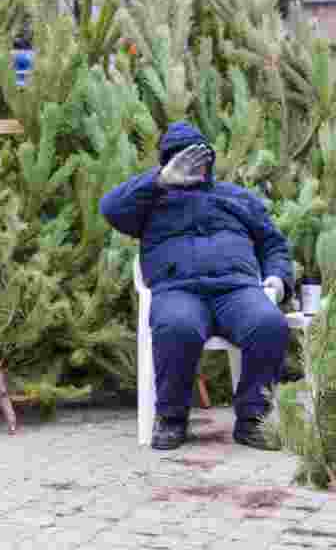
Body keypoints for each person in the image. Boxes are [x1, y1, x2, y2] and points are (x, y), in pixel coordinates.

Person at [99, 121, 294, 451]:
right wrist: (160, 180)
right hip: (178, 289)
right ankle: (172, 419)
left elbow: (273, 244)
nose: (192, 165)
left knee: (268, 323)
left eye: (198, 157)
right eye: (180, 158)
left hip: (237, 290)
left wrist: (277, 279)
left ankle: (253, 420)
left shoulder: (236, 198)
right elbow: (110, 209)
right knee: (177, 326)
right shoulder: (148, 202)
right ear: (167, 161)